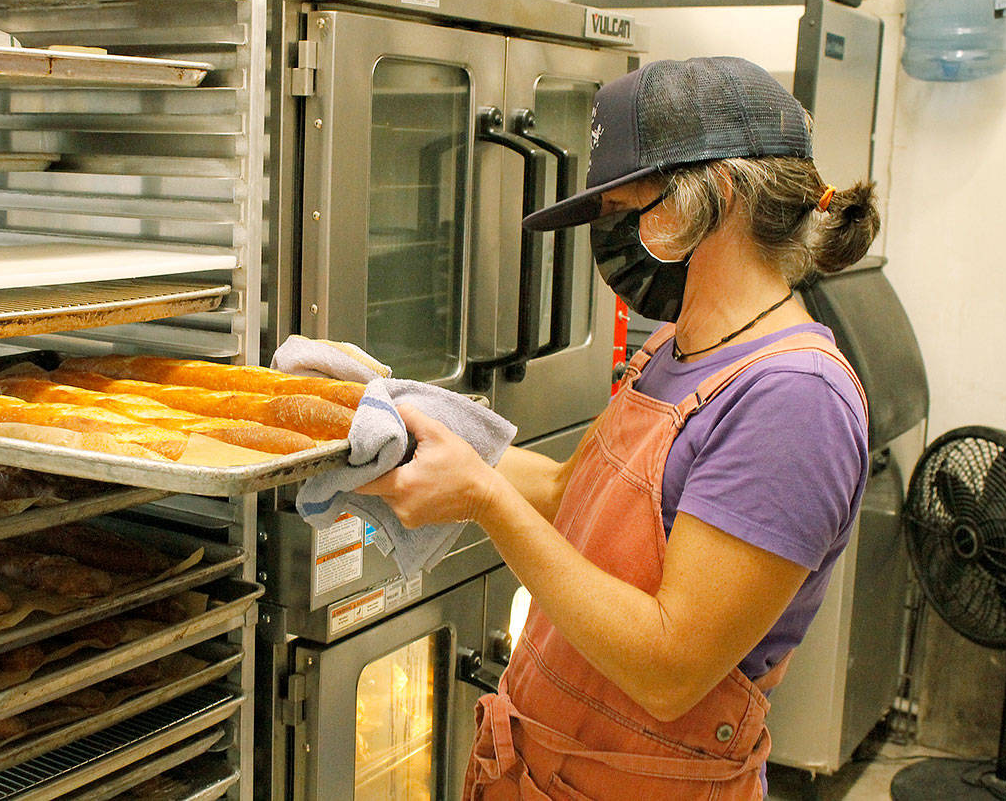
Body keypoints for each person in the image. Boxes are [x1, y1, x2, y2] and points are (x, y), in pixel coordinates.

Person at [358, 56, 876, 799]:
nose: (609, 235)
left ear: (717, 195)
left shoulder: (795, 401)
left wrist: (483, 500)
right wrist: (406, 425)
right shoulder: (681, 346)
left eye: (625, 209)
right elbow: (573, 488)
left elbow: (670, 666)